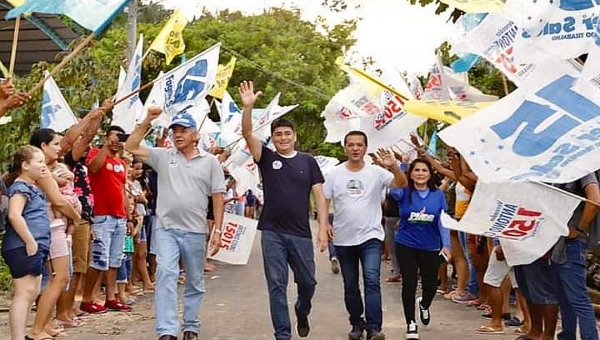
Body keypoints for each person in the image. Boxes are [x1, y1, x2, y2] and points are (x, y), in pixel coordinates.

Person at [125, 106, 225, 340]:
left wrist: (217, 230)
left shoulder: (210, 162)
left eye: (183, 130)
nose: (178, 134)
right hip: (166, 229)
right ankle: (167, 330)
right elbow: (130, 146)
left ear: (195, 135)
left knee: (195, 280)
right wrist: (147, 119)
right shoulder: (163, 156)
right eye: (175, 130)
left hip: (195, 231)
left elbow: (218, 197)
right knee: (166, 274)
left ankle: (191, 325)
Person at [240, 80, 329, 340]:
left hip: (300, 232)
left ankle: (302, 311)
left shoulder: (307, 161)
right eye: (278, 135)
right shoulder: (266, 157)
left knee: (308, 282)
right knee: (276, 285)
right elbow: (247, 134)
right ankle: (282, 334)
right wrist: (248, 107)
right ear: (273, 138)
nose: (283, 138)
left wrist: (323, 228)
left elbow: (320, 197)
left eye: (287, 134)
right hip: (272, 231)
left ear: (294, 136)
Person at [324, 131, 407, 340]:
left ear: (365, 147)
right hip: (343, 238)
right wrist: (323, 224)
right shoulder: (334, 174)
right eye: (350, 145)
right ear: (345, 148)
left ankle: (374, 327)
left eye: (359, 145)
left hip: (370, 236)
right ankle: (356, 322)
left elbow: (402, 184)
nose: (355, 148)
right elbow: (324, 200)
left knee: (371, 279)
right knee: (350, 284)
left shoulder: (377, 172)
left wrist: (394, 166)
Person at [390, 158, 451, 340]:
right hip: (405, 244)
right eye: (416, 170)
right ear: (411, 173)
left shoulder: (437, 195)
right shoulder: (404, 192)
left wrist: (446, 245)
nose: (420, 173)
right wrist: (397, 166)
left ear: (430, 174)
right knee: (409, 282)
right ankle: (411, 322)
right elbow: (394, 188)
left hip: (430, 246)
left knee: (430, 285)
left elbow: (442, 221)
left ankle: (424, 304)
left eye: (424, 170)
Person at [80, 125, 131, 313]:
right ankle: (87, 299)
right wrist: (104, 147)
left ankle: (111, 297)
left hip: (120, 217)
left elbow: (122, 190)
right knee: (99, 259)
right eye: (115, 136)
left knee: (115, 260)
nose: (118, 140)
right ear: (107, 136)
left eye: (121, 137)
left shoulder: (121, 163)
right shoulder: (95, 153)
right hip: (102, 215)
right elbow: (93, 167)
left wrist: (129, 217)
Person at [1, 146, 50, 340]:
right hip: (22, 245)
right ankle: (17, 337)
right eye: (39, 162)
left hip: (35, 245)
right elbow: (14, 215)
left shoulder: (32, 187)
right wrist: (30, 241)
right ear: (25, 165)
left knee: (33, 291)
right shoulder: (20, 187)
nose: (43, 166)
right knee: (24, 292)